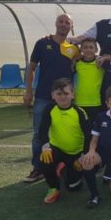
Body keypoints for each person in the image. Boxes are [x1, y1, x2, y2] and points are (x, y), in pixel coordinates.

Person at [23, 14, 79, 183]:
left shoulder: (74, 49)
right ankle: (38, 168)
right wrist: (28, 91)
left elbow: (82, 64)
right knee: (38, 133)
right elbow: (31, 68)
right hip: (43, 96)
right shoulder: (42, 43)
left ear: (71, 26)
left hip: (66, 99)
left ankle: (65, 164)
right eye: (61, 21)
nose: (63, 24)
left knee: (67, 132)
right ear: (55, 24)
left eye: (67, 22)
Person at [38, 78, 90, 204]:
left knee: (73, 187)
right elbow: (42, 130)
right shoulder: (49, 109)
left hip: (75, 153)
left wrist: (83, 156)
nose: (62, 97)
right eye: (59, 94)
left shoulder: (79, 112)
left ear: (72, 94)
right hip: (57, 149)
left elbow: (88, 135)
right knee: (44, 159)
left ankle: (64, 169)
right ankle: (53, 188)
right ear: (53, 95)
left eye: (66, 93)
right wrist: (45, 147)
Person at [74, 38, 104, 123]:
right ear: (81, 49)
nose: (88, 50)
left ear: (96, 49)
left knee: (94, 130)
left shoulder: (100, 63)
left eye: (91, 47)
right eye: (85, 47)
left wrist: (104, 57)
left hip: (96, 103)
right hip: (79, 102)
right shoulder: (77, 63)